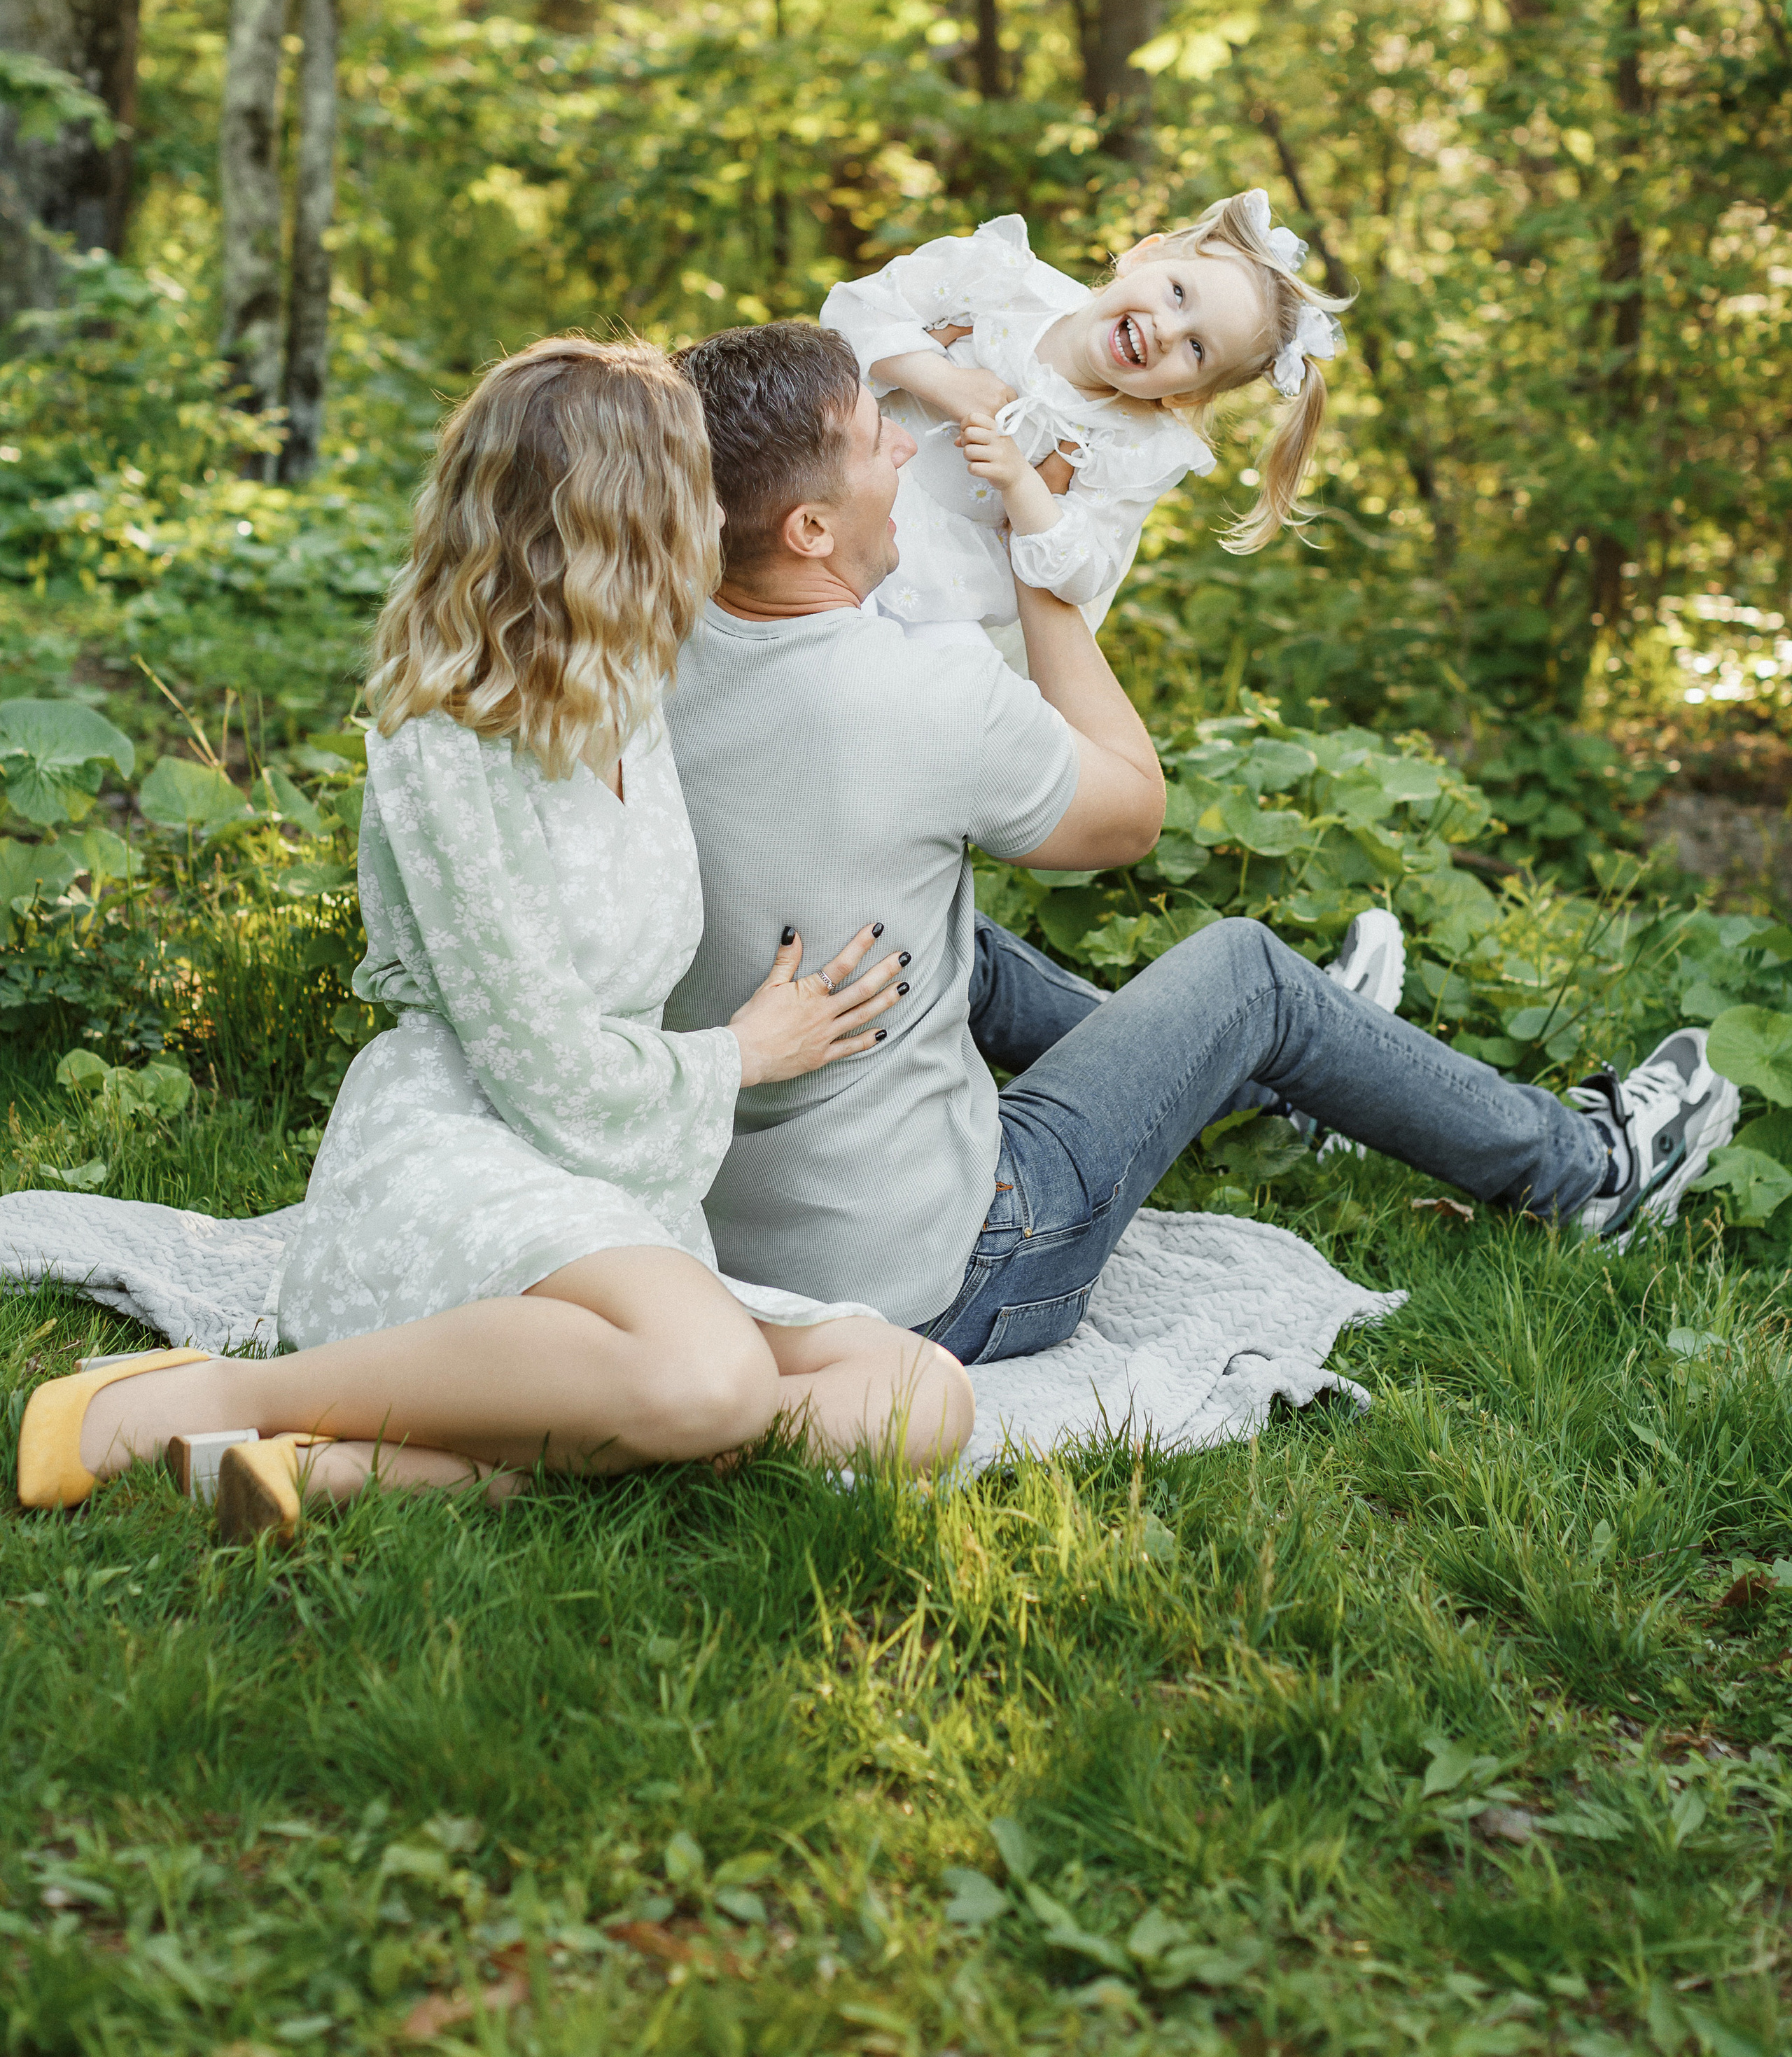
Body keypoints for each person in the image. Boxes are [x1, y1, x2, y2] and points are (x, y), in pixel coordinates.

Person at [18, 338, 972, 1536]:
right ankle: (209, 1397)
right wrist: (744, 1054)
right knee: (711, 1380)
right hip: (465, 1149)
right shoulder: (446, 744)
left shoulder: (638, 696)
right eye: (695, 485)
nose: (720, 510)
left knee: (918, 1394)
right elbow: (542, 1070)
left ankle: (327, 1469)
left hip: (612, 1185)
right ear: (630, 518)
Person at [662, 319, 1740, 1367]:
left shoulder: (640, 653)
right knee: (1246, 976)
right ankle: (1590, 1172)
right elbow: (1132, 813)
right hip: (947, 1285)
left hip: (737, 1259)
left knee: (956, 947)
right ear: (809, 529)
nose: (906, 444)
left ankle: (1293, 1090)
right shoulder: (917, 693)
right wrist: (1041, 550)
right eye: (873, 437)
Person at [818, 190, 1340, 666]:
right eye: (1179, 293)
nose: (1168, 330)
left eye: (1198, 349)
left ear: (1190, 394)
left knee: (946, 701)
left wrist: (1021, 484)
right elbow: (851, 315)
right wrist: (943, 380)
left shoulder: (1132, 443)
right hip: (835, 495)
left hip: (941, 594)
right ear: (1144, 255)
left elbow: (1083, 572)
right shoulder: (1003, 283)